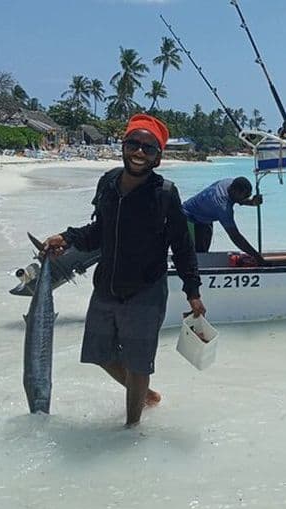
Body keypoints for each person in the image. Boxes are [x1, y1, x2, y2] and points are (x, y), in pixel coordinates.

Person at [41, 114, 205, 427]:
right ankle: (146, 395)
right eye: (134, 144)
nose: (139, 152)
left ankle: (131, 430)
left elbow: (183, 246)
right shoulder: (108, 183)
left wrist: (192, 291)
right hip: (107, 287)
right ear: (123, 145)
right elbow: (98, 231)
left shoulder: (165, 194)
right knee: (99, 354)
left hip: (146, 290)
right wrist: (68, 237)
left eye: (148, 148)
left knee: (138, 362)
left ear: (158, 157)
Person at [182, 177, 266, 265]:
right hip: (188, 218)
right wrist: (257, 257)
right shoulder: (223, 207)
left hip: (204, 220)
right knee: (193, 257)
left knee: (202, 256)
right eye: (245, 196)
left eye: (248, 196)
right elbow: (235, 236)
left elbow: (236, 198)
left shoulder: (229, 183)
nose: (246, 198)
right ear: (235, 191)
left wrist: (252, 202)